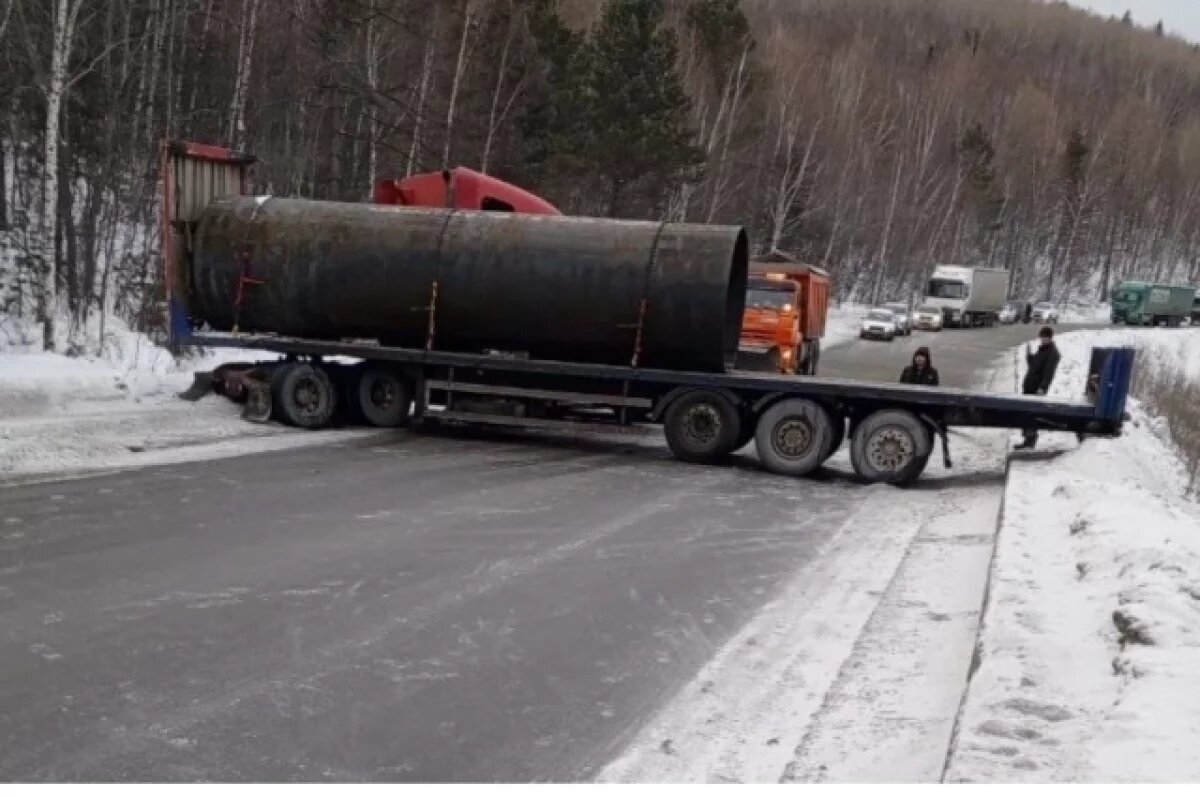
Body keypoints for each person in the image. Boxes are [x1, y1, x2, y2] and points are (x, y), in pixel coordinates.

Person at [1015, 326, 1061, 449]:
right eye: (1042, 337)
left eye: (1045, 337)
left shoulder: (1053, 353)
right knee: (1026, 414)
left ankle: (1030, 441)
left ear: (1050, 338)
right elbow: (1034, 365)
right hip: (1029, 387)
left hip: (1037, 389)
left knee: (1031, 415)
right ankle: (1027, 440)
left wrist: (1043, 388)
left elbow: (1048, 373)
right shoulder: (1042, 349)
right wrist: (1029, 355)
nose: (1043, 339)